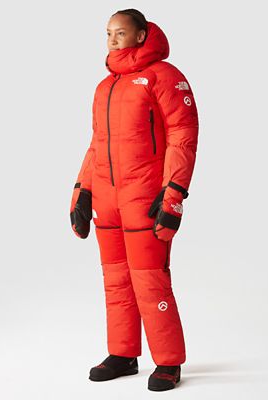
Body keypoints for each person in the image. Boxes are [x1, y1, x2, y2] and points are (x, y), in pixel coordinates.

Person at [69, 8, 199, 392]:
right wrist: (81, 192)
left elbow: (183, 136)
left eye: (120, 33)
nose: (112, 40)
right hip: (107, 199)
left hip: (145, 197)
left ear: (141, 35)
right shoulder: (105, 87)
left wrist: (173, 193)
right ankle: (123, 354)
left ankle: (168, 361)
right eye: (108, 33)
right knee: (116, 281)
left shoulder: (165, 77)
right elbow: (97, 144)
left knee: (150, 280)